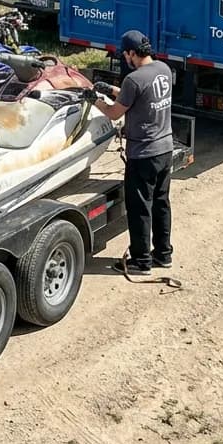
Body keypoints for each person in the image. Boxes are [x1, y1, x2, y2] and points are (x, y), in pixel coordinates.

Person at [88, 29, 174, 275]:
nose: (125, 58)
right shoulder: (163, 70)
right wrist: (111, 89)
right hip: (165, 149)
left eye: (125, 54)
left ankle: (141, 261)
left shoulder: (134, 79)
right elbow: (141, 95)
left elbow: (115, 113)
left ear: (132, 53)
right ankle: (163, 254)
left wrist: (93, 99)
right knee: (160, 203)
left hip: (143, 154)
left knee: (139, 208)